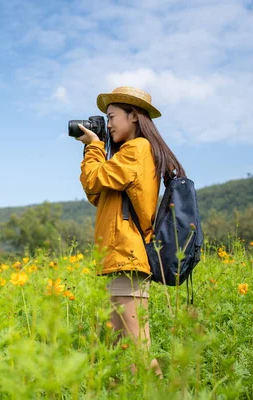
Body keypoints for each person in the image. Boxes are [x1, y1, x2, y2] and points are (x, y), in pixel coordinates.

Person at [75, 86, 185, 378]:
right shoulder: (127, 155)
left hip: (129, 258)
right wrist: (97, 149)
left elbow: (93, 179)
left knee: (136, 350)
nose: (108, 124)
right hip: (121, 260)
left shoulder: (137, 150)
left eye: (111, 116)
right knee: (117, 351)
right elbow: (97, 193)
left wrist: (93, 146)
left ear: (134, 116)